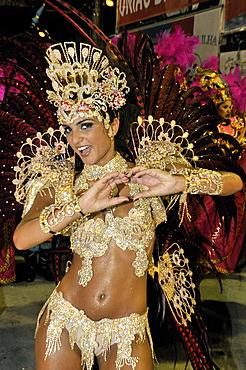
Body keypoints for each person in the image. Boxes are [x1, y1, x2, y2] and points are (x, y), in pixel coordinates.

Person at [12, 40, 244, 370]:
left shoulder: (150, 172)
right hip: (65, 321)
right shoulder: (62, 181)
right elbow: (21, 239)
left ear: (114, 124)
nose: (76, 139)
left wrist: (182, 182)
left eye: (86, 125)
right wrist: (79, 207)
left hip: (127, 331)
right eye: (69, 129)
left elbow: (234, 183)